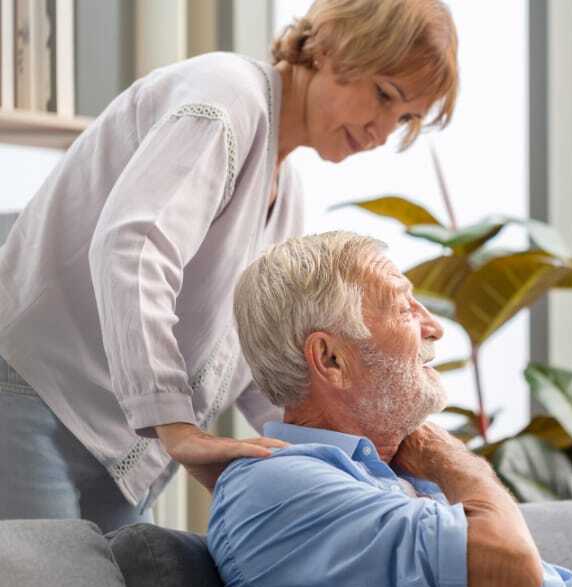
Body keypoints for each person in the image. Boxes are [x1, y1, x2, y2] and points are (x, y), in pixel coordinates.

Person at [0, 0, 458, 532]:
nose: (383, 129)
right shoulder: (225, 96)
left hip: (116, 442)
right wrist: (176, 425)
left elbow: (260, 361)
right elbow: (135, 248)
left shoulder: (287, 198)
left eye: (404, 119)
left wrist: (338, 461)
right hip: (35, 394)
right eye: (384, 95)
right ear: (333, 44)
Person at [207, 231, 572, 587]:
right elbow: (508, 567)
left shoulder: (402, 473)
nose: (434, 328)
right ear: (331, 359)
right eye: (404, 309)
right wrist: (452, 460)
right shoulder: (273, 485)